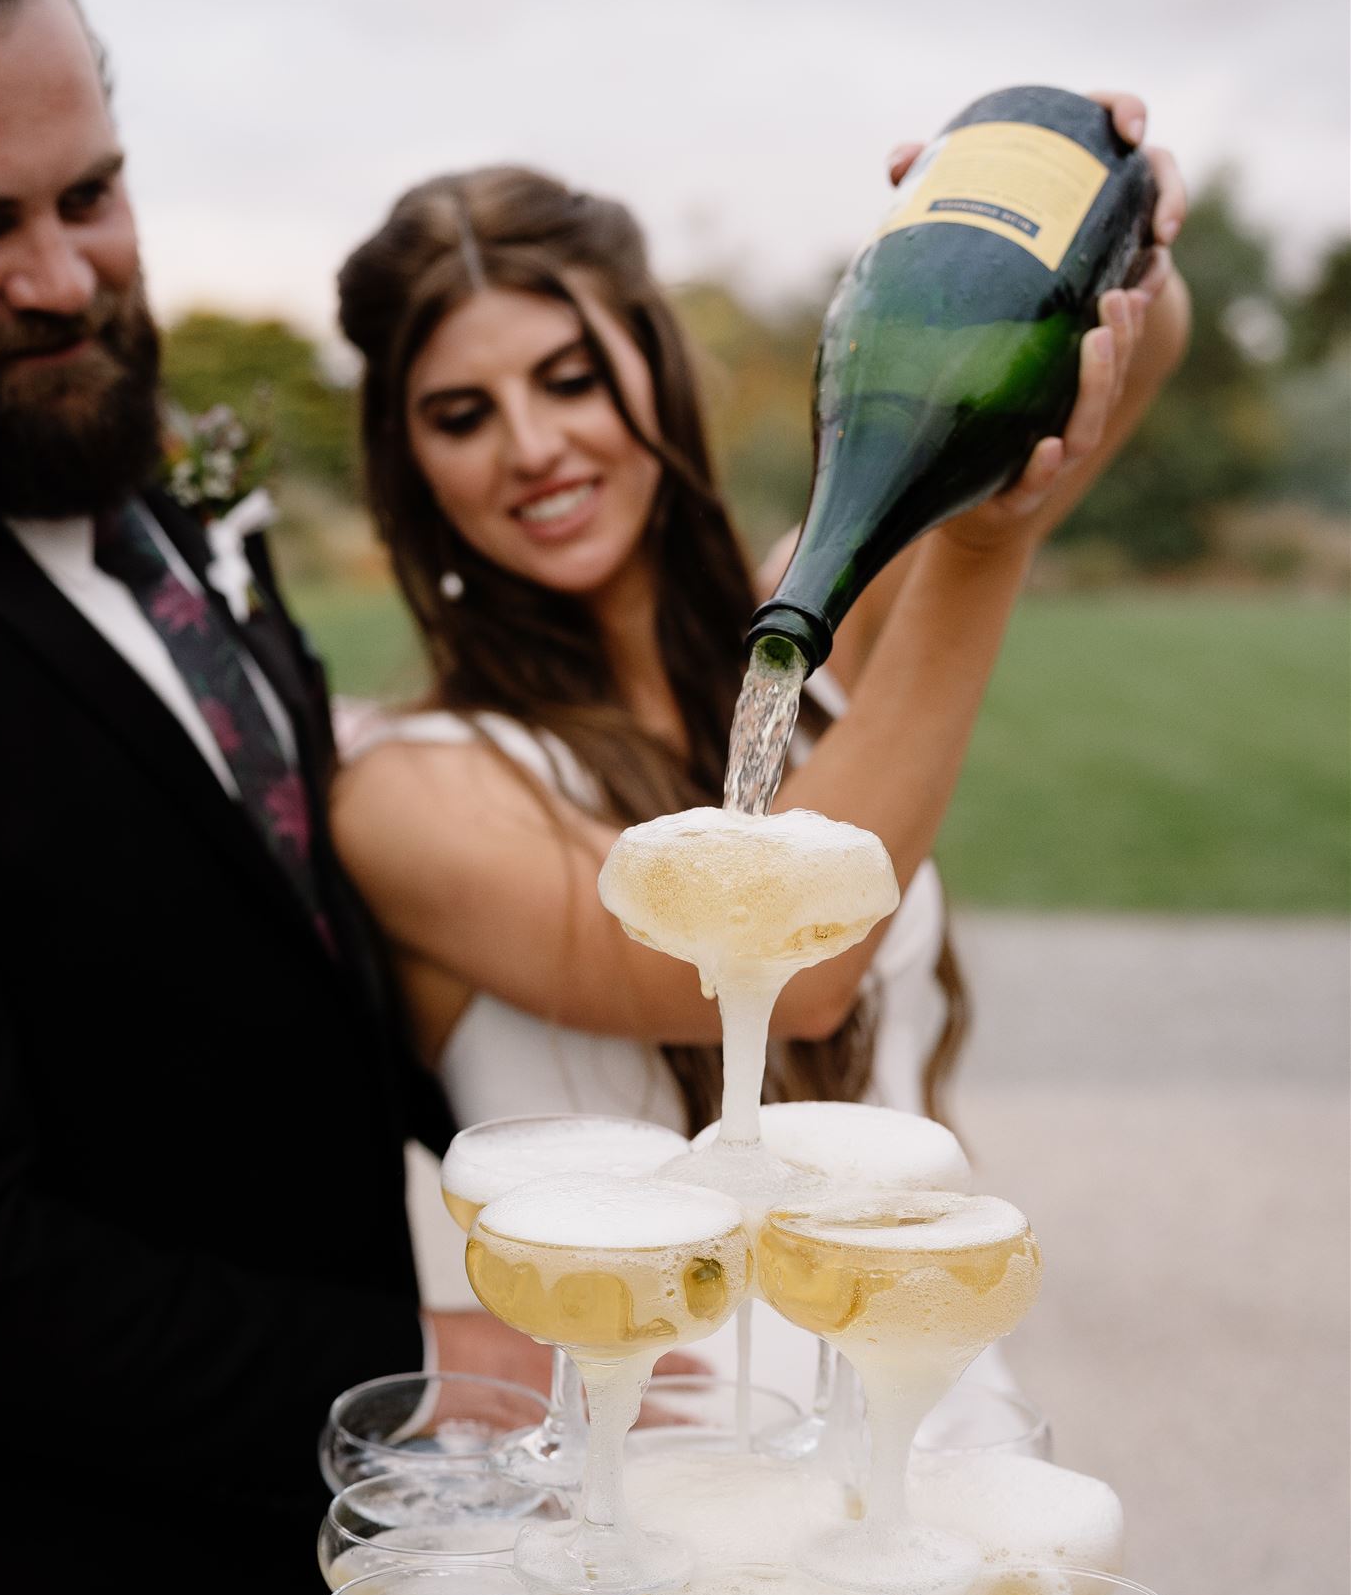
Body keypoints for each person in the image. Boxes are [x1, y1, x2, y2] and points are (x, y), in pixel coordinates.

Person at [0, 0, 526, 1595]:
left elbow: (266, 937)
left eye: (92, 192)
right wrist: (408, 1364)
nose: (63, 279)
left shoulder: (167, 511)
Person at [330, 137, 1189, 1308]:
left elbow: (1142, 341)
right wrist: (988, 548)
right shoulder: (412, 790)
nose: (532, 447)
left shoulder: (810, 602)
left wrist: (1083, 185)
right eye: (463, 414)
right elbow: (795, 957)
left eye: (572, 378)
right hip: (652, 1448)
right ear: (409, 460)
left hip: (905, 1398)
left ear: (658, 366)